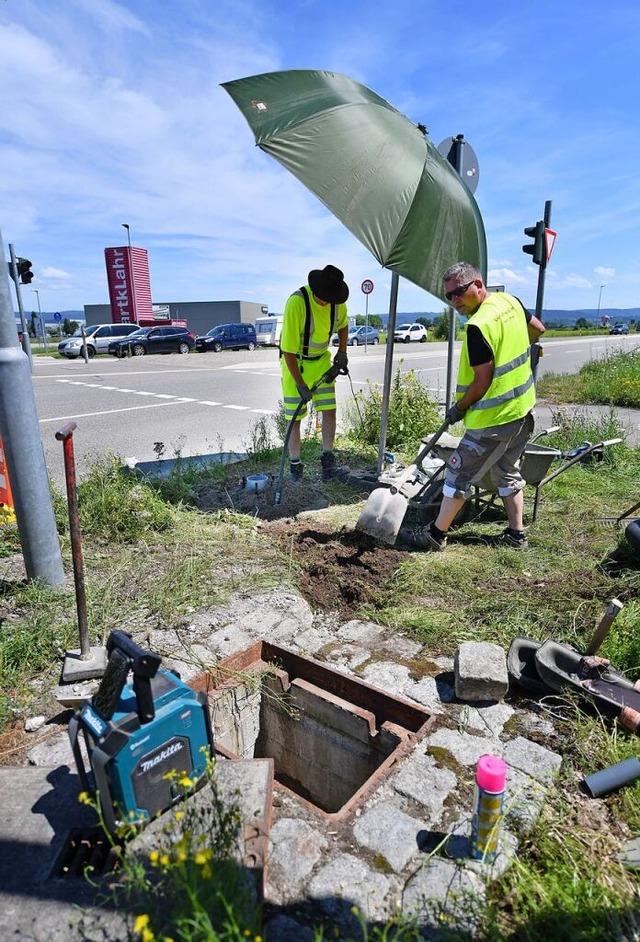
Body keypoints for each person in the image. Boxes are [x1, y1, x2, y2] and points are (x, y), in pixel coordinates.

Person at [403, 261, 545, 551]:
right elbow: (538, 329)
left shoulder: (478, 326)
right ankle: (516, 536)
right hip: (522, 411)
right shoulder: (510, 302)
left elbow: (481, 381)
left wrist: (459, 407)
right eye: (449, 296)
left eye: (459, 292)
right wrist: (514, 346)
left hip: (493, 419)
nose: (455, 301)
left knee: (457, 474)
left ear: (478, 284)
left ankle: (435, 535)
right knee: (507, 471)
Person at [280, 264, 350, 481]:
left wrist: (342, 351)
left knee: (329, 410)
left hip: (322, 363)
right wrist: (300, 384)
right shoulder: (297, 302)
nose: (326, 302)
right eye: (323, 298)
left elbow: (344, 325)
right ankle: (295, 466)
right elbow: (288, 350)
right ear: (316, 290)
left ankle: (328, 463)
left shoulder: (337, 303)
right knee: (295, 417)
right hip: (296, 364)